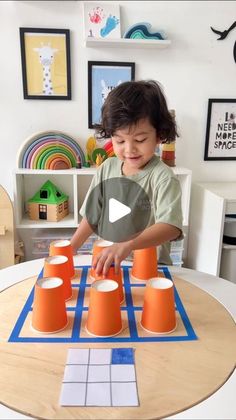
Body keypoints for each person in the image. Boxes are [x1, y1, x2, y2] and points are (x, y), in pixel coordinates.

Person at [71, 80, 183, 276]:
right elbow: (92, 216)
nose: (129, 149)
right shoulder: (106, 168)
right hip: (110, 262)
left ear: (159, 135)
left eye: (140, 140)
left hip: (150, 269)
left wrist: (128, 245)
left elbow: (171, 227)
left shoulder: (163, 177)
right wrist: (71, 247)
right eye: (120, 140)